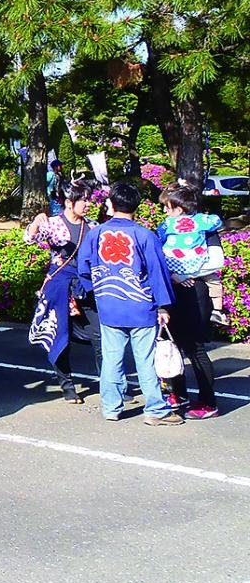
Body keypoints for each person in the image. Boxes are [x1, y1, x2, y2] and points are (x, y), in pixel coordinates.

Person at [78, 182, 183, 425]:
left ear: (112, 205)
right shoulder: (145, 235)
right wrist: (163, 306)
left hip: (109, 306)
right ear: (136, 206)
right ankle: (156, 410)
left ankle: (111, 407)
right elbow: (158, 273)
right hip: (141, 307)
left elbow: (83, 268)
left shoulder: (95, 234)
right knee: (145, 360)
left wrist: (97, 291)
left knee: (112, 358)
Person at [24, 179, 102, 403]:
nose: (88, 204)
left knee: (99, 335)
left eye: (89, 200)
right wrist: (37, 223)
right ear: (69, 202)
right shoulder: (54, 223)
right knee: (61, 336)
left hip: (86, 285)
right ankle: (67, 385)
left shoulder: (94, 226)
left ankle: (109, 384)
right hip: (60, 285)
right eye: (84, 200)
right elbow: (29, 238)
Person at [157, 182, 221, 419]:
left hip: (195, 292)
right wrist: (172, 275)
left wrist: (185, 274)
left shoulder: (206, 228)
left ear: (180, 208)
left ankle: (208, 401)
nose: (165, 211)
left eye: (168, 206)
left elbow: (216, 261)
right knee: (170, 344)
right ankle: (177, 394)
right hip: (171, 293)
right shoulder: (164, 228)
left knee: (194, 347)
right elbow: (157, 258)